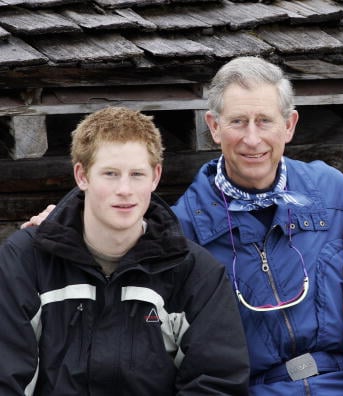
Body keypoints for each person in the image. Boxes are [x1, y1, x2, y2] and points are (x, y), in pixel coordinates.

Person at [22, 58, 343, 395]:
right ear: (214, 127)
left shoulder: (332, 192)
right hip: (254, 388)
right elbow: (110, 242)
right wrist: (62, 218)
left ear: (289, 125)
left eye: (264, 121)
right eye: (237, 122)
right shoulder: (181, 229)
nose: (252, 139)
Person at [0, 107, 250, 395]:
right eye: (110, 174)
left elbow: (218, 382)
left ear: (155, 177)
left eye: (137, 174)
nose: (125, 189)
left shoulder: (195, 273)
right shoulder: (25, 261)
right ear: (82, 176)